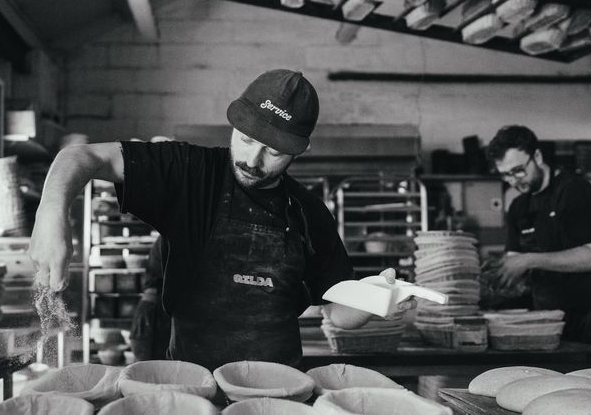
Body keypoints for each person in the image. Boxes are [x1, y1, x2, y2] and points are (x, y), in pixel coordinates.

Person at [29, 69, 413, 370]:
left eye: (273, 153)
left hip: (278, 389)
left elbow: (339, 312)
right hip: (192, 385)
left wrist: (375, 299)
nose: (252, 159)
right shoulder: (189, 172)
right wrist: (51, 213)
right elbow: (80, 157)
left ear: (299, 151)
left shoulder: (309, 212)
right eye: (245, 138)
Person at [486, 125, 591, 346]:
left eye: (518, 170)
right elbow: (515, 262)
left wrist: (529, 260)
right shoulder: (518, 207)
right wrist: (496, 276)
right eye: (506, 175)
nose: (514, 180)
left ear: (537, 156)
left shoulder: (573, 191)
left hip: (589, 321)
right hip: (546, 321)